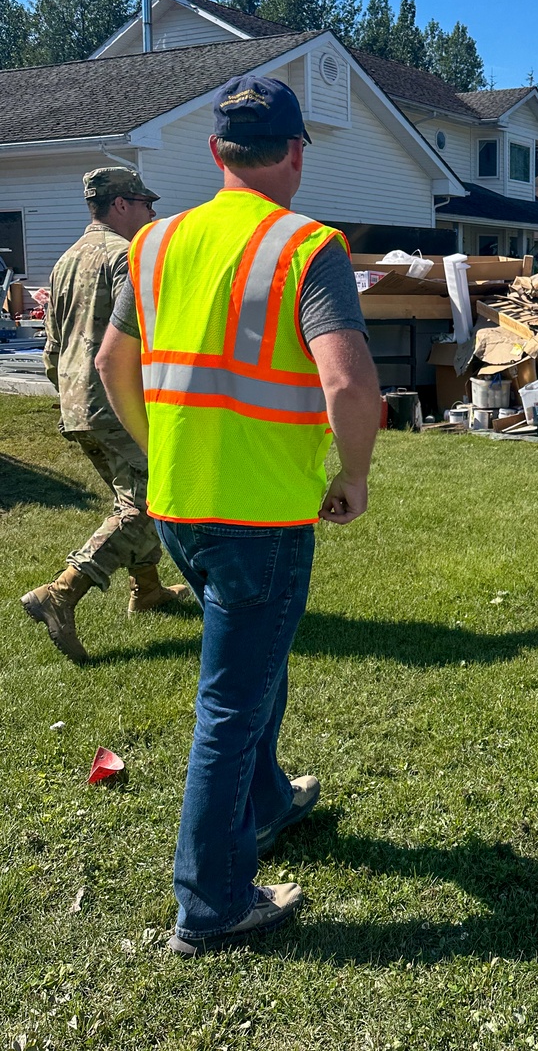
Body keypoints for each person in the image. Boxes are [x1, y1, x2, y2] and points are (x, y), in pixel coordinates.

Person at [96, 74, 382, 956]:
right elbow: (350, 382)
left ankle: (265, 805)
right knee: (232, 699)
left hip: (181, 505)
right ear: (296, 153)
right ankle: (212, 903)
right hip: (261, 514)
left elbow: (113, 363)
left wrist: (158, 452)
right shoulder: (307, 246)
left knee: (255, 665)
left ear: (217, 153)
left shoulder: (153, 241)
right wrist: (355, 475)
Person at [20, 168, 188, 662]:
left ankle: (149, 589)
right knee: (148, 503)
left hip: (76, 402)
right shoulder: (125, 256)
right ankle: (62, 593)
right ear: (119, 205)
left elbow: (53, 343)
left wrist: (66, 390)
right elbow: (142, 334)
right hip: (116, 399)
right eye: (143, 203)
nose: (151, 213)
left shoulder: (65, 261)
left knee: (132, 496)